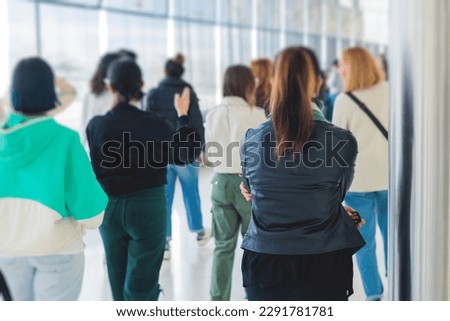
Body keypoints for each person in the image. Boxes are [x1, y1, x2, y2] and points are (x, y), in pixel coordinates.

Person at [240, 47, 365, 301]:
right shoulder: (342, 141)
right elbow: (335, 194)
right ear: (318, 83)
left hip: (266, 263)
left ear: (274, 82)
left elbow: (252, 192)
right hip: (324, 262)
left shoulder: (252, 140)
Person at [87, 57, 201, 301]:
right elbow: (183, 156)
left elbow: (95, 170)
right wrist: (182, 117)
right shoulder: (156, 125)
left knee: (117, 282)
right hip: (148, 207)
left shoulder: (96, 126)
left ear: (110, 87)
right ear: (140, 85)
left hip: (110, 208)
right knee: (142, 285)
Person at [0, 57, 107, 301]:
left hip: (7, 251)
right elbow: (92, 214)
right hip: (58, 250)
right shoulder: (65, 140)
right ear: (50, 91)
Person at [205, 65, 266, 301]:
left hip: (220, 183)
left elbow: (209, 157)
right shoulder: (257, 114)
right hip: (249, 185)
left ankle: (218, 302)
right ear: (248, 85)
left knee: (222, 247)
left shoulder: (212, 113)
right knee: (253, 247)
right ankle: (254, 298)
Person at [332, 46, 388, 301]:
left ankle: (374, 293)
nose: (340, 69)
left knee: (364, 241)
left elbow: (337, 147)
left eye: (343, 64)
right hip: (391, 178)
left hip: (358, 182)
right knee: (394, 235)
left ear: (353, 66)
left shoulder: (344, 101)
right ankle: (397, 276)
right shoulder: (389, 91)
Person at [146, 53, 207, 260]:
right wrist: (200, 148)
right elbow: (197, 123)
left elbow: (148, 125)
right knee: (191, 193)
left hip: (161, 155)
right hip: (186, 153)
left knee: (164, 198)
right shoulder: (187, 91)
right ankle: (199, 232)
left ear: (165, 72)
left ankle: (165, 243)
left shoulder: (153, 94)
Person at [81, 52, 120, 145]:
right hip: (106, 150)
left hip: (92, 150)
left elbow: (83, 128)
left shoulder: (89, 94)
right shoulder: (116, 96)